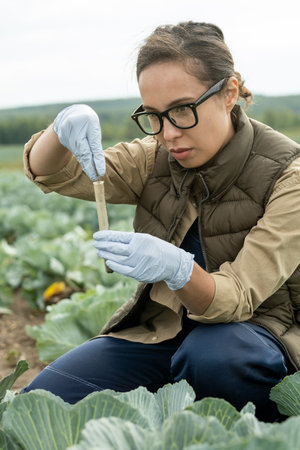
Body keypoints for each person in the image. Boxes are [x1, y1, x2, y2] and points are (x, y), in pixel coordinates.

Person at [22, 21, 300, 423]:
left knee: (212, 360)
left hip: (261, 335)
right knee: (45, 402)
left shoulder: (289, 176)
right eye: (153, 116)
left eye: (182, 110)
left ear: (229, 93)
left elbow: (237, 296)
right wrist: (60, 130)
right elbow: (59, 174)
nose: (168, 133)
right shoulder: (156, 157)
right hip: (164, 332)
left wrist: (178, 268)